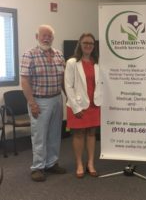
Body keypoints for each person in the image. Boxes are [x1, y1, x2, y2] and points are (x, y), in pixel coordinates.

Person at [21, 24, 66, 182]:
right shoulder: (30, 55)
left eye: (49, 36)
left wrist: (68, 99)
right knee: (39, 136)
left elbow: (62, 80)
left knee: (55, 134)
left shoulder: (59, 55)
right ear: (37, 37)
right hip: (39, 101)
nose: (47, 38)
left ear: (53, 38)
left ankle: (52, 163)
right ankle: (38, 167)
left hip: (56, 99)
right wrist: (32, 103)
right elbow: (25, 81)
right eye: (43, 35)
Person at [64, 33, 101, 178]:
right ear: (79, 44)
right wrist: (75, 107)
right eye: (85, 42)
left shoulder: (96, 62)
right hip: (77, 104)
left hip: (94, 104)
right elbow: (68, 86)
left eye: (91, 43)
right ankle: (79, 164)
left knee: (92, 134)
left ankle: (90, 163)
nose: (88, 45)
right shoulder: (72, 62)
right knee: (78, 134)